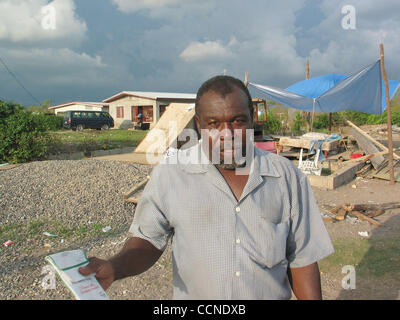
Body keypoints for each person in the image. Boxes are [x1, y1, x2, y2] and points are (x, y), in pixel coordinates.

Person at [79, 75, 334, 300]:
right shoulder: (172, 174)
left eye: (237, 121)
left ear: (252, 119)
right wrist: (115, 267)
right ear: (199, 126)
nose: (228, 134)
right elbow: (148, 240)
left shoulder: (286, 177)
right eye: (214, 124)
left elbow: (302, 259)